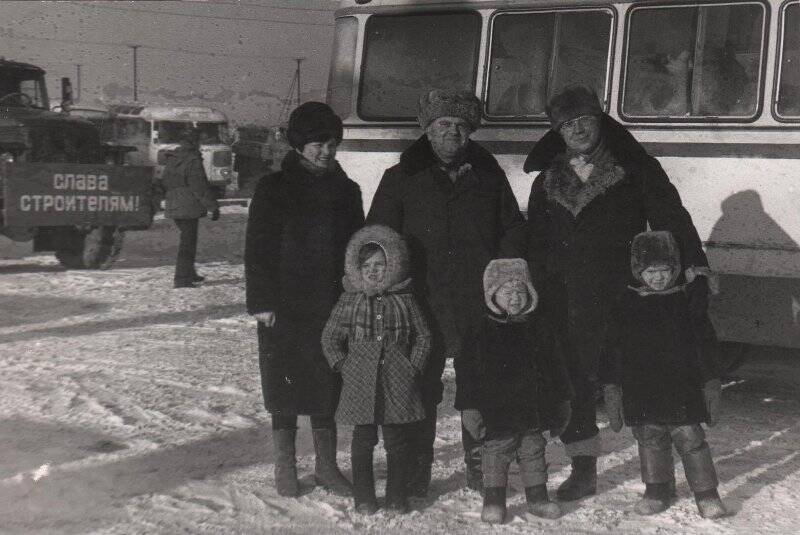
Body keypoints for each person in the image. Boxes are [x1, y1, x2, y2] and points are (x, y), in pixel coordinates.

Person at [523, 84, 715, 501]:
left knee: (642, 379)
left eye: (584, 121)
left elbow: (671, 217)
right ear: (557, 130)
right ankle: (583, 469)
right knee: (573, 382)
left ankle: (662, 479)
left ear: (600, 121)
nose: (577, 131)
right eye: (567, 124)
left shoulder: (636, 169)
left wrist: (694, 266)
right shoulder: (547, 180)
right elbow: (533, 239)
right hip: (564, 299)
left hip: (621, 298)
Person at [367, 89, 526, 497]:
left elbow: (511, 229)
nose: (452, 133)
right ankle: (416, 472)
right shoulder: (401, 178)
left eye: (460, 126)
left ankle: (482, 468)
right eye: (443, 125)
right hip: (420, 303)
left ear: (470, 131)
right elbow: (379, 237)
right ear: (427, 129)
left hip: (479, 302)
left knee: (481, 386)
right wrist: (385, 289)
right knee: (419, 387)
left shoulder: (489, 177)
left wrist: (505, 279)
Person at [244, 102, 364, 498]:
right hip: (284, 305)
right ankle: (285, 469)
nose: (326, 150)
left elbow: (356, 248)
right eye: (317, 143)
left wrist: (356, 295)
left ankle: (327, 468)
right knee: (284, 383)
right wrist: (262, 301)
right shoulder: (273, 189)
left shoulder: (347, 191)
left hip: (331, 303)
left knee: (327, 383)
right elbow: (258, 249)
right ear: (298, 144)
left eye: (332, 142)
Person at [601, 230, 726, 519]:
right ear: (637, 271)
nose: (658, 278)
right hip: (642, 392)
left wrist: (711, 383)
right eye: (650, 271)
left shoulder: (686, 303)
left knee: (691, 440)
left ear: (675, 269)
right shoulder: (625, 305)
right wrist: (612, 387)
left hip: (682, 391)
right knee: (650, 439)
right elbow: (612, 350)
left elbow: (704, 346)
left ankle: (706, 493)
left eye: (665, 270)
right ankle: (657, 489)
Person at [321, 225, 431, 515]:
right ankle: (364, 497)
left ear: (392, 265)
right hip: (359, 377)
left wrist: (413, 365)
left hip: (397, 376)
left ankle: (396, 497)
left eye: (380, 265)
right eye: (366, 265)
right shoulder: (350, 299)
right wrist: (343, 365)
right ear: (356, 268)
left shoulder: (404, 298)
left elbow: (423, 336)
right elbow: (330, 337)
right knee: (363, 439)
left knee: (396, 439)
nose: (373, 271)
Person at [456, 258, 571, 524]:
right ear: (493, 295)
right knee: (495, 456)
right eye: (507, 293)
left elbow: (556, 368)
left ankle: (538, 499)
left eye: (521, 292)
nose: (515, 298)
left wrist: (563, 401)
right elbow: (468, 375)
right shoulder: (481, 330)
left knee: (533, 453)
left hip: (532, 412)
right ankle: (494, 501)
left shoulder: (540, 327)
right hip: (497, 414)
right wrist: (469, 407)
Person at [161, 128, 219, 288]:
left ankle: (189, 273)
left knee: (187, 240)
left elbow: (165, 180)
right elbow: (200, 187)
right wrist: (213, 207)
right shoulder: (193, 160)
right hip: (188, 206)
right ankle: (181, 279)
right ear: (194, 142)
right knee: (188, 243)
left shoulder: (173, 158)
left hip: (174, 204)